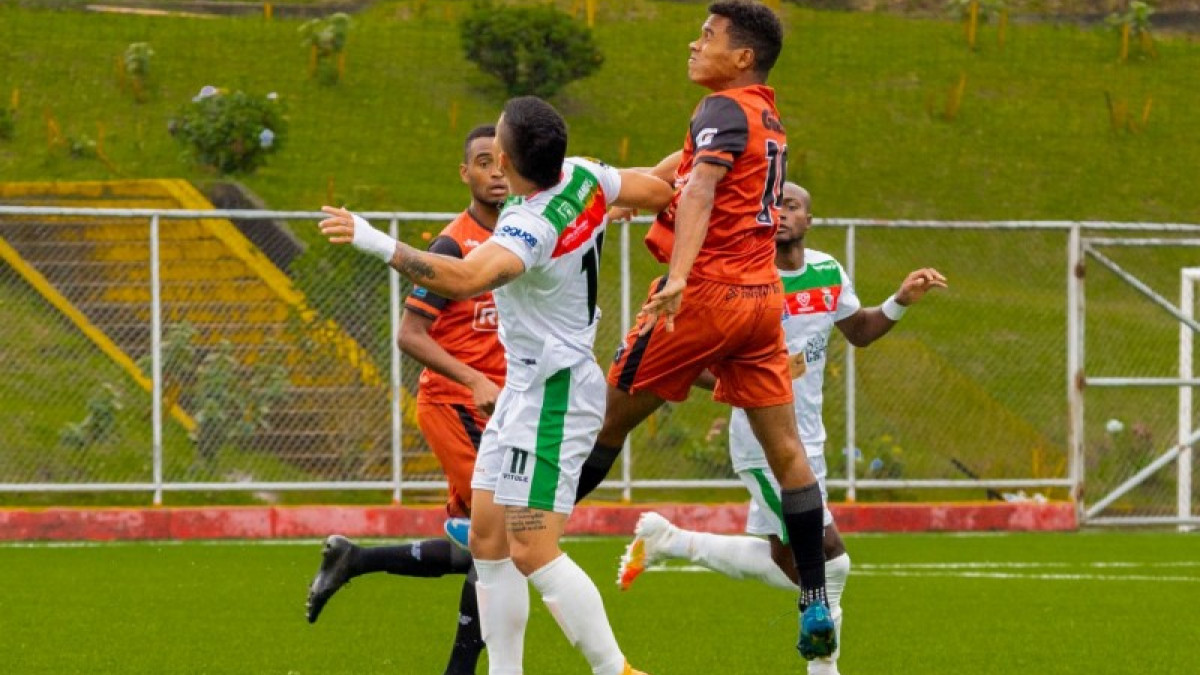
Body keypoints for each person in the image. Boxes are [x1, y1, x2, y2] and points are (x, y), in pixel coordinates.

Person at [317, 96, 675, 675]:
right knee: (487, 540)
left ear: (504, 160)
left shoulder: (527, 225)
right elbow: (658, 191)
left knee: (533, 550)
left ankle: (617, 670)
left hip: (554, 392)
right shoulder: (583, 175)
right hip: (524, 389)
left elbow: (462, 279)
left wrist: (373, 239)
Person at [574, 1, 837, 660]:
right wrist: (638, 189)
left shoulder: (720, 109)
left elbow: (699, 191)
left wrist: (680, 276)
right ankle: (813, 597)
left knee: (606, 419)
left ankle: (524, 534)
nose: (694, 43)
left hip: (709, 295)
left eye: (708, 36)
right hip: (758, 300)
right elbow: (685, 168)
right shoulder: (763, 115)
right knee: (788, 453)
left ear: (741, 56)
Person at [617, 182, 947, 675]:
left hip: (807, 440)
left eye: (792, 206)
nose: (781, 212)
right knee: (830, 560)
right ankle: (823, 670)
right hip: (762, 441)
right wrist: (751, 378)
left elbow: (859, 331)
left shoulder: (827, 271)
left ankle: (670, 541)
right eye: (773, 205)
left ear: (808, 220)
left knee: (784, 561)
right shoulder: (744, 280)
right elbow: (693, 360)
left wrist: (900, 299)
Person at [305, 124, 508, 675]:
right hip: (457, 406)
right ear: (465, 173)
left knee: (479, 550)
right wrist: (474, 380)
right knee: (504, 540)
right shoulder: (453, 246)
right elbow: (409, 335)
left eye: (502, 161)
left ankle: (354, 560)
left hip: (497, 411)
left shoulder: (521, 236)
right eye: (483, 162)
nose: (495, 172)